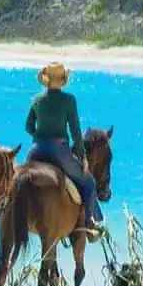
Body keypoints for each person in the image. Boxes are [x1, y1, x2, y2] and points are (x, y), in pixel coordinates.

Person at [25, 62, 103, 234]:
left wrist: (38, 136)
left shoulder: (36, 100)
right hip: (58, 151)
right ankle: (91, 225)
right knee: (89, 183)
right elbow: (75, 130)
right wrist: (82, 156)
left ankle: (6, 210)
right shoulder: (69, 100)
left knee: (19, 179)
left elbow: (28, 126)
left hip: (36, 150)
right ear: (62, 80)